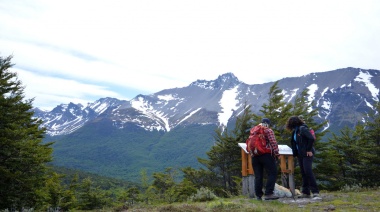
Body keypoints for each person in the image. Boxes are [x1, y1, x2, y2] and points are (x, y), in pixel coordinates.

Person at [286, 115, 320, 198]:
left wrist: (308, 150)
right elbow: (295, 143)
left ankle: (315, 191)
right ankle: (306, 192)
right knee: (304, 172)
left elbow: (311, 138)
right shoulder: (296, 131)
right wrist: (296, 154)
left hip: (307, 153)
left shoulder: (302, 129)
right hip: (301, 154)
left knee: (307, 171)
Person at [249, 118, 280, 200]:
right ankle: (269, 193)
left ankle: (258, 195)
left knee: (258, 176)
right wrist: (277, 153)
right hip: (266, 155)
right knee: (272, 173)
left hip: (255, 156)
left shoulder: (254, 130)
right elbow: (273, 142)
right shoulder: (268, 130)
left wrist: (252, 153)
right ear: (268, 123)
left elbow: (249, 143)